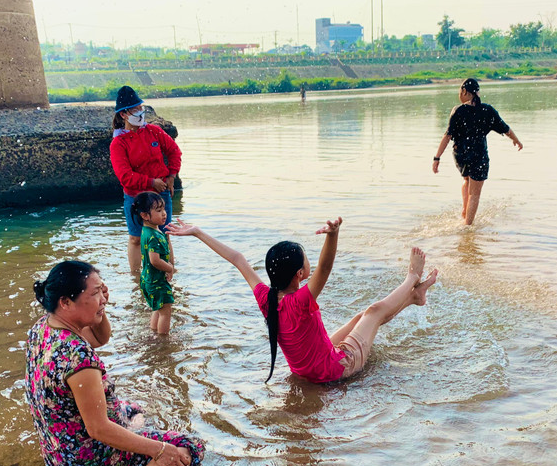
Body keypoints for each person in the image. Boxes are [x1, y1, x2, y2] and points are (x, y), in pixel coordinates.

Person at [25, 260, 204, 466]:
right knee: (188, 448)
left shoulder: (44, 327)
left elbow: (100, 338)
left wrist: (100, 307)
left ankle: (132, 433)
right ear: (66, 302)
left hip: (56, 450)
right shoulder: (78, 358)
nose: (102, 298)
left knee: (133, 409)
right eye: (94, 293)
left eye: (102, 290)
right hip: (85, 460)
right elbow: (98, 429)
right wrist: (160, 450)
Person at [168, 217, 438, 383]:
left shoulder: (266, 297)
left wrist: (198, 232)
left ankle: (414, 297)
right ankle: (411, 280)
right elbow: (326, 267)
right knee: (373, 312)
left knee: (359, 319)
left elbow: (238, 259)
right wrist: (333, 235)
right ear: (300, 274)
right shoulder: (299, 301)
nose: (310, 263)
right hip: (335, 370)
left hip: (308, 368)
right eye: (306, 259)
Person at [110, 85, 182, 272]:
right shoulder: (119, 143)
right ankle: (136, 277)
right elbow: (124, 176)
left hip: (160, 193)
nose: (140, 113)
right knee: (135, 238)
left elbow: (174, 151)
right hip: (135, 196)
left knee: (164, 233)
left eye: (140, 108)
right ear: (124, 115)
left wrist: (172, 175)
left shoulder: (154, 131)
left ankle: (170, 273)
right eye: (135, 110)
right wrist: (150, 182)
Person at [432, 78, 523, 226]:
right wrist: (516, 140)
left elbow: (447, 136)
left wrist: (437, 158)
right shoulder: (487, 110)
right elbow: (506, 128)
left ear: (464, 91)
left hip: (461, 155)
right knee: (475, 193)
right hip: (479, 155)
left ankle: (465, 211)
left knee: (467, 180)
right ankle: (468, 226)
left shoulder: (458, 111)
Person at [132, 192, 175, 334]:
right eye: (159, 210)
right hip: (157, 282)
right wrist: (170, 268)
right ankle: (163, 340)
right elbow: (155, 260)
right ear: (145, 215)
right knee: (165, 312)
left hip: (149, 279)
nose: (164, 213)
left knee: (157, 308)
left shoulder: (147, 231)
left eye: (164, 209)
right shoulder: (153, 236)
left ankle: (154, 333)